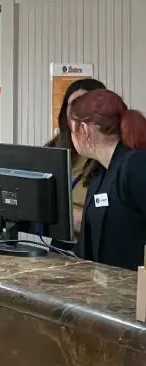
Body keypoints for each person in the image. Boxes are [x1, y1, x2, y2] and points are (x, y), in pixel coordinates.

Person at [68, 89, 146, 270]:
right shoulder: (100, 171)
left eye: (72, 130)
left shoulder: (135, 165)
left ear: (84, 129)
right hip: (104, 281)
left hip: (133, 284)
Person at [45, 78, 107, 235]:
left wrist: (72, 217)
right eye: (74, 104)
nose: (80, 112)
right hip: (53, 241)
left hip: (91, 244)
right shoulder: (53, 148)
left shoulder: (111, 155)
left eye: (86, 104)